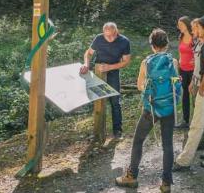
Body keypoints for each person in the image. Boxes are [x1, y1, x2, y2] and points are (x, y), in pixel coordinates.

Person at [116, 29, 180, 192]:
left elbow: (140, 86)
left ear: (152, 45)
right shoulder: (173, 62)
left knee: (138, 141)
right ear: (166, 44)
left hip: (150, 108)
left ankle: (132, 176)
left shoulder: (146, 62)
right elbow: (175, 84)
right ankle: (166, 183)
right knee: (168, 145)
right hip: (169, 108)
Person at [174, 14, 204, 172]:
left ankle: (183, 161)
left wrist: (200, 88)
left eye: (198, 27)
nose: (195, 29)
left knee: (196, 126)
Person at [80, 22, 131, 139]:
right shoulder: (98, 38)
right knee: (98, 99)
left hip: (113, 69)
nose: (110, 38)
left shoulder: (124, 41)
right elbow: (88, 54)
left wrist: (110, 67)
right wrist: (86, 64)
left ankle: (117, 131)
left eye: (112, 36)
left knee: (115, 101)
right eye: (107, 36)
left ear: (116, 32)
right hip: (99, 69)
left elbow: (126, 61)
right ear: (103, 33)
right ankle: (97, 132)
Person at [176, 16, 195, 129]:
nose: (179, 27)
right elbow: (180, 53)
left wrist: (195, 61)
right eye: (178, 25)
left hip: (193, 71)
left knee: (194, 96)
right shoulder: (181, 37)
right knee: (185, 96)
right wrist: (179, 64)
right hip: (182, 70)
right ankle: (185, 120)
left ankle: (196, 122)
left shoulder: (194, 37)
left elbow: (198, 53)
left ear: (187, 25)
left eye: (181, 25)